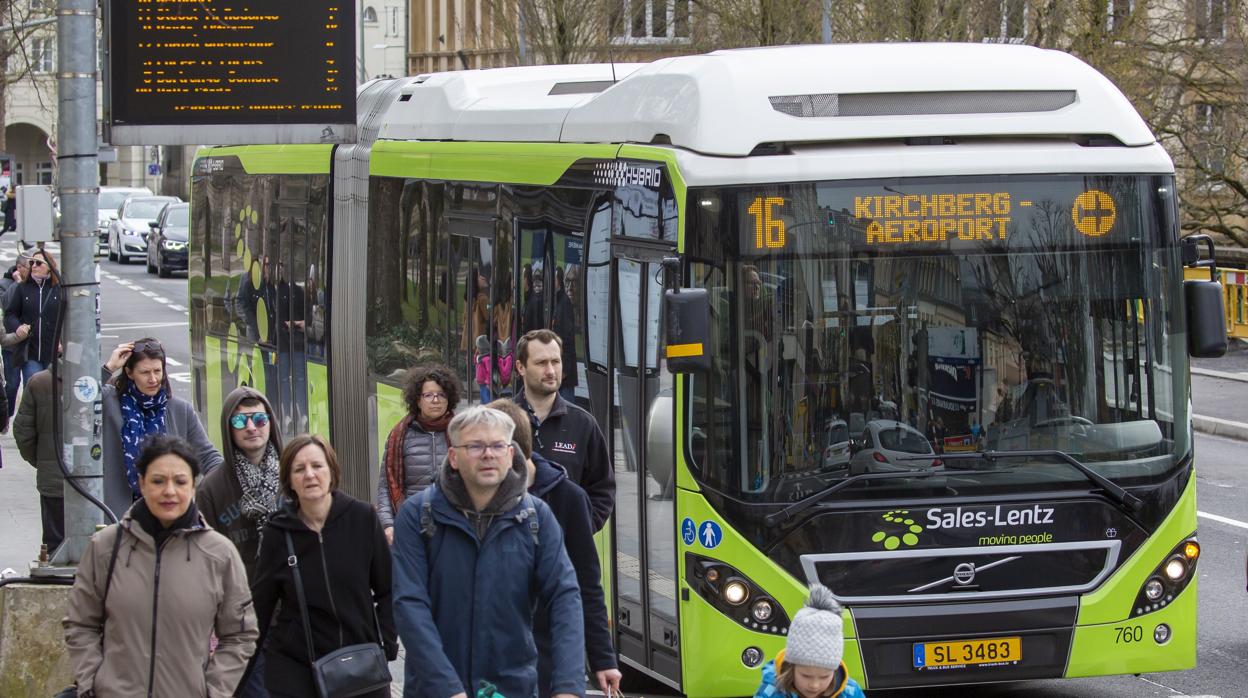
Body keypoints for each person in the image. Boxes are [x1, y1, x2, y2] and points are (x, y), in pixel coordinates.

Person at [391, 406, 584, 698]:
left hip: (511, 687)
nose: (488, 454)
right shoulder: (418, 515)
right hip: (435, 688)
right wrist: (447, 688)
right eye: (475, 446)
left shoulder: (536, 517)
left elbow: (565, 596)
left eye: (497, 446)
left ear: (510, 454)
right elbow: (409, 604)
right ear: (453, 457)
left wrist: (568, 685)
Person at [63, 435, 259, 696]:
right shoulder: (105, 548)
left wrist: (213, 691)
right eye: (158, 481)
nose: (169, 491)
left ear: (193, 487)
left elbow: (240, 635)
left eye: (180, 481)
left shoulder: (219, 554)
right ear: (142, 484)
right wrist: (93, 683)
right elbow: (80, 623)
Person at [487, 399, 621, 698]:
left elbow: (586, 582)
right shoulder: (477, 497)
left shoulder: (567, 498)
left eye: (492, 448)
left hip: (545, 651)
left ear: (514, 451)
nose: (484, 459)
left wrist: (602, 657)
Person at [247, 434, 398, 697]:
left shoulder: (362, 519)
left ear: (331, 470)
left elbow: (389, 588)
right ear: (289, 480)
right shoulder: (277, 532)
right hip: (298, 671)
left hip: (361, 665)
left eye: (317, 466)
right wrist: (243, 667)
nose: (309, 475)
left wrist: (386, 640)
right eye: (299, 469)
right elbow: (261, 604)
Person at [197, 386, 284, 698]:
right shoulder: (211, 488)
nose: (251, 428)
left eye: (259, 419)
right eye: (240, 422)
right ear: (228, 428)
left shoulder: (294, 472)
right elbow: (204, 563)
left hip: (292, 615)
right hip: (242, 621)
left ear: (271, 423)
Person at [101, 338, 223, 517]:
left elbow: (207, 456)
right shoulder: (109, 401)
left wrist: (228, 483)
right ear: (129, 372)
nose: (153, 379)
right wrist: (109, 368)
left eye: (157, 371)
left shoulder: (180, 409)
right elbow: (79, 398)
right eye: (144, 372)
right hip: (119, 518)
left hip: (168, 515)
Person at [514, 329, 614, 530]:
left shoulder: (584, 424)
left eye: (556, 361)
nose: (551, 371)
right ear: (520, 367)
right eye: (541, 363)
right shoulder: (499, 421)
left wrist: (581, 531)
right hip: (512, 552)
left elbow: (602, 489)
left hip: (564, 554)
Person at [377, 363, 461, 545]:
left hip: (453, 525)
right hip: (411, 524)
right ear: (417, 400)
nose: (435, 400)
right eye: (428, 395)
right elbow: (385, 484)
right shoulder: (399, 434)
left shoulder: (462, 431)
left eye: (441, 394)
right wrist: (387, 524)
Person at [753, 584, 864, 698]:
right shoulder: (772, 692)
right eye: (806, 676)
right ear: (791, 667)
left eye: (824, 677)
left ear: (835, 671)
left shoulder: (850, 693)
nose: (814, 685)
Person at [14, 366, 63, 552]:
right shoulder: (98, 382)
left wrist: (43, 461)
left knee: (54, 549)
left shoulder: (38, 382)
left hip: (53, 482)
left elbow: (23, 433)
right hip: (93, 486)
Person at [6, 247, 61, 386]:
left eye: (38, 263)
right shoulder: (23, 288)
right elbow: (10, 313)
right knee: (33, 385)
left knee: (52, 390)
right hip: (30, 350)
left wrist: (63, 341)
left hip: (54, 351)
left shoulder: (58, 289)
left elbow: (69, 318)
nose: (34, 266)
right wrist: (18, 327)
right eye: (32, 263)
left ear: (49, 267)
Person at [0, 256, 28, 411]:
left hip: (31, 345)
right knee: (12, 384)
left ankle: (26, 415)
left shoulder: (35, 284)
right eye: (29, 265)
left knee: (31, 382)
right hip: (11, 345)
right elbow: (5, 305)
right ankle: (7, 414)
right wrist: (18, 284)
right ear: (18, 267)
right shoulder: (5, 285)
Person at [551, 266, 578, 402]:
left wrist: (565, 369)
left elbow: (567, 337)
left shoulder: (564, 303)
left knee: (567, 407)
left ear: (558, 281)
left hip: (565, 371)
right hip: (560, 368)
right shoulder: (556, 302)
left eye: (553, 279)